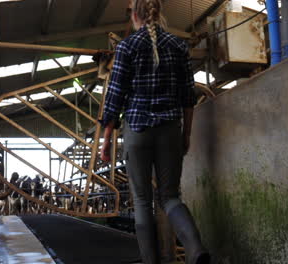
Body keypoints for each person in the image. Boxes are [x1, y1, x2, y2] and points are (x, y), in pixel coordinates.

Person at [99, 0, 210, 263]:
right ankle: (196, 250)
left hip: (137, 131)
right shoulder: (178, 46)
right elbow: (188, 97)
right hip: (170, 129)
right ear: (158, 13)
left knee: (141, 200)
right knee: (170, 197)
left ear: (135, 15)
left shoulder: (127, 47)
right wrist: (186, 135)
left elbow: (114, 99)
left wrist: (106, 142)